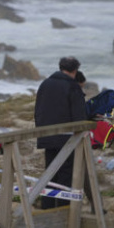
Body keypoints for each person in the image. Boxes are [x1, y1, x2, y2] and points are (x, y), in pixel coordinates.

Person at [34, 57, 88, 208]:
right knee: (66, 176)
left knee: (50, 175)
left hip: (47, 136)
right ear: (75, 70)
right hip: (67, 140)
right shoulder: (72, 86)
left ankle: (47, 208)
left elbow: (38, 110)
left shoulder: (45, 84)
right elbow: (79, 117)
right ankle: (64, 210)